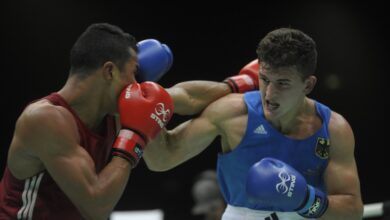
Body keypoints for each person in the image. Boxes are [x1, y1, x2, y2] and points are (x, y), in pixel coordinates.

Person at [0, 23, 249, 219]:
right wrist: (134, 136)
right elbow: (96, 206)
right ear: (109, 71)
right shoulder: (45, 120)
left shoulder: (115, 110)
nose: (137, 84)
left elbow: (186, 99)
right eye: (133, 73)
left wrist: (241, 84)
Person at [143, 27, 364, 219]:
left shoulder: (333, 129)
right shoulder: (233, 113)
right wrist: (142, 110)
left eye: (282, 83)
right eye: (265, 79)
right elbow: (163, 158)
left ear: (308, 85)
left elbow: (352, 210)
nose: (269, 93)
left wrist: (306, 199)